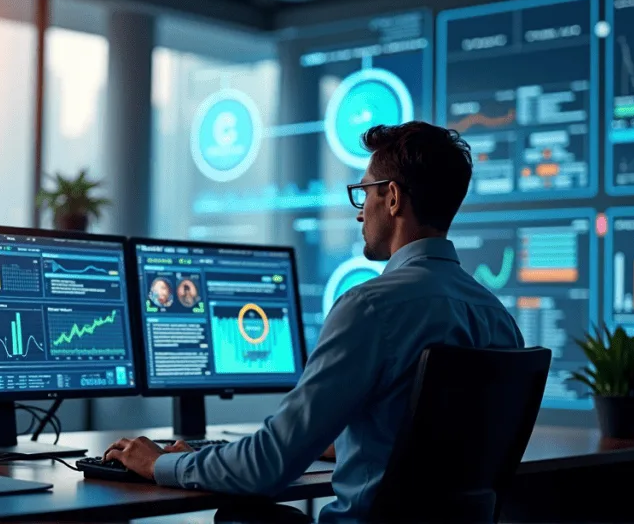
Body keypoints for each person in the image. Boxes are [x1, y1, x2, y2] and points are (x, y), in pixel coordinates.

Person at [104, 122, 525, 522]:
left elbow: (268, 465)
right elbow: (432, 450)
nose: (360, 214)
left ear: (393, 198)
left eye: (364, 193)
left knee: (241, 516)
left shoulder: (369, 308)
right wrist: (346, 442)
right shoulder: (500, 321)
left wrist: (161, 464)